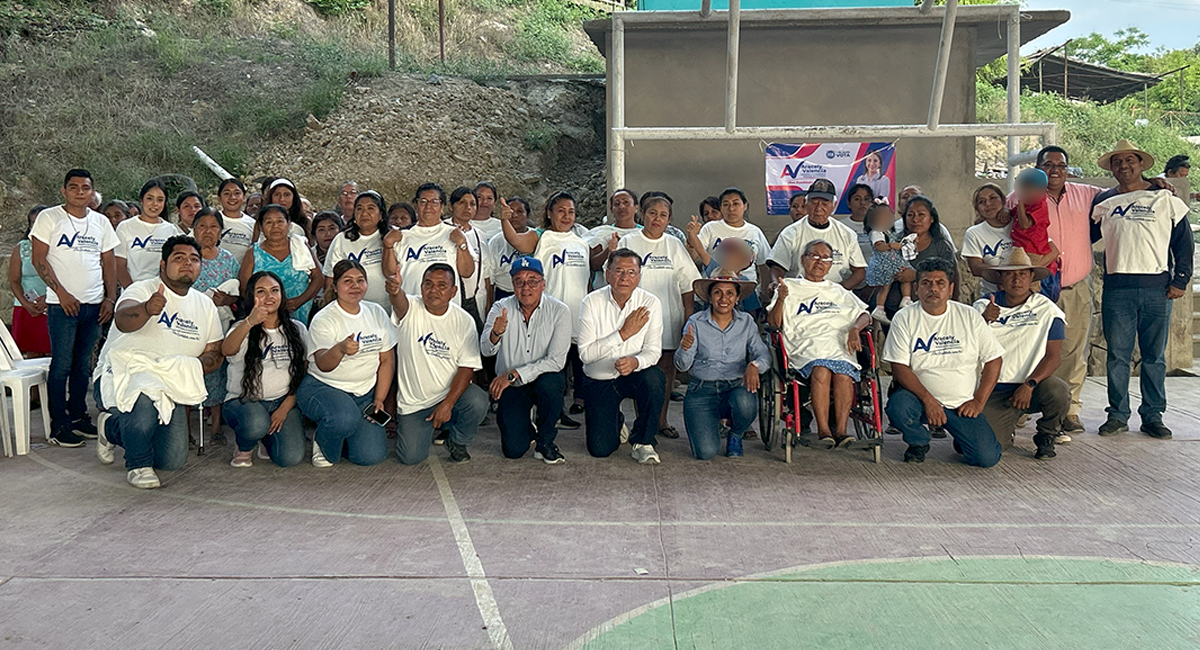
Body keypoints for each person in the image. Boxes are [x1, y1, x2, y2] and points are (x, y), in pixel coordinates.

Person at [94, 236, 224, 488]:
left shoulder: (205, 305)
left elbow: (215, 353)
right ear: (163, 264)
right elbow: (122, 319)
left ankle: (110, 429)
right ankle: (138, 465)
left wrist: (191, 367)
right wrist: (146, 309)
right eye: (179, 258)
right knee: (142, 404)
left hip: (169, 383)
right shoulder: (143, 289)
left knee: (171, 459)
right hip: (124, 375)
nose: (187, 263)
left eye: (194, 259)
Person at [1090, 140, 1194, 440]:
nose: (1124, 166)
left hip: (1156, 288)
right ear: (1111, 168)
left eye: (1130, 161)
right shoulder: (1104, 201)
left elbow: (1183, 242)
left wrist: (1181, 280)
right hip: (1117, 289)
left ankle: (1152, 415)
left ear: (1141, 164)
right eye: (1117, 162)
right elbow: (1085, 234)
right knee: (1117, 357)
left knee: (1154, 357)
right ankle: (1118, 415)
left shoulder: (1164, 197)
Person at [883, 257, 1004, 468]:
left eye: (940, 283)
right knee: (898, 407)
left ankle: (961, 437)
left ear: (950, 289)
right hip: (919, 400)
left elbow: (994, 360)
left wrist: (978, 402)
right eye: (926, 283)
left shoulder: (970, 316)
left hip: (961, 403)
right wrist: (929, 400)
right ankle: (918, 441)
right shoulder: (904, 318)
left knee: (986, 458)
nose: (933, 288)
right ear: (916, 289)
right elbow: (899, 368)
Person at [31, 169, 119, 447]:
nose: (80, 192)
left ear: (92, 192)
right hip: (61, 306)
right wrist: (62, 293)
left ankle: (80, 417)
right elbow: (39, 259)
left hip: (94, 306)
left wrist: (109, 299)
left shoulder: (101, 222)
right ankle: (59, 425)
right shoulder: (50, 218)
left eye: (85, 188)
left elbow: (109, 262)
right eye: (74, 187)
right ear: (64, 191)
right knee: (61, 366)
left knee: (83, 366)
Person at [769, 240, 871, 447]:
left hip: (839, 347)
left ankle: (841, 431)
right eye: (814, 255)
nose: (819, 261)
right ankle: (823, 430)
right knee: (821, 370)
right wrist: (780, 300)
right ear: (803, 259)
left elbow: (865, 315)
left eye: (825, 258)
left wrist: (855, 329)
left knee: (843, 375)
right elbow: (774, 323)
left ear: (831, 264)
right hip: (805, 346)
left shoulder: (839, 291)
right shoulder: (789, 287)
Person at [501, 191, 591, 424]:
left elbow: (586, 279)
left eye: (571, 211)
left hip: (576, 313)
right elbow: (515, 240)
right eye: (560, 210)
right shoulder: (541, 237)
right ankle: (549, 414)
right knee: (551, 366)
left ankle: (558, 411)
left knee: (571, 364)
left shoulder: (582, 243)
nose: (566, 215)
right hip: (548, 314)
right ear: (549, 213)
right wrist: (504, 220)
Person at [974, 250, 1070, 460]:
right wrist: (981, 320)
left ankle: (1047, 434)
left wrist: (1030, 385)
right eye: (1010, 274)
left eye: (1023, 274)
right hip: (993, 388)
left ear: (1031, 277)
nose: (1017, 280)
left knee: (1058, 390)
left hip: (1031, 386)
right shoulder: (983, 306)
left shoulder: (1047, 309)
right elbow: (967, 346)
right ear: (1000, 278)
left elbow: (1053, 357)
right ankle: (1005, 428)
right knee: (979, 448)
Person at [619, 193, 700, 440]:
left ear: (669, 220)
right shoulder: (628, 240)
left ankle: (660, 420)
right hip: (635, 320)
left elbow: (688, 286)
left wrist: (688, 320)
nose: (657, 218)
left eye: (663, 215)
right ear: (642, 214)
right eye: (652, 213)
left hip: (668, 318)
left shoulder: (673, 245)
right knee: (639, 370)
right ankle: (642, 421)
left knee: (665, 372)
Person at [297, 260, 394, 467]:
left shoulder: (376, 312)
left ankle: (343, 434)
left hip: (364, 394)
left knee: (369, 457)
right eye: (347, 281)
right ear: (335, 285)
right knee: (343, 419)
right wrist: (340, 349)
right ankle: (323, 441)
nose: (355, 286)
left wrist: (379, 398)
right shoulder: (324, 318)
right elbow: (323, 363)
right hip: (324, 387)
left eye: (360, 281)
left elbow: (386, 359)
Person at [388, 263, 487, 464]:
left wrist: (447, 404)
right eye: (428, 284)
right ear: (421, 287)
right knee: (410, 458)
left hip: (448, 396)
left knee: (477, 400)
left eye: (442, 285)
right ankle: (425, 428)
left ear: (453, 292)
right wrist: (395, 290)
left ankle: (458, 441)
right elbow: (399, 302)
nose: (434, 290)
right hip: (414, 404)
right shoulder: (411, 308)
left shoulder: (464, 320)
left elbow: (467, 368)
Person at [577, 249, 666, 463]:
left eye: (631, 272)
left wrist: (636, 362)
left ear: (639, 277)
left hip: (634, 374)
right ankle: (615, 421)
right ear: (607, 274)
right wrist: (623, 334)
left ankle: (643, 441)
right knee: (600, 449)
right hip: (600, 378)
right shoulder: (591, 302)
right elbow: (585, 355)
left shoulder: (650, 303)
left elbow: (653, 351)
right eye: (618, 271)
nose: (624, 278)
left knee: (655, 378)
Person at [480, 257, 571, 462]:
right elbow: (486, 350)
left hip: (537, 380)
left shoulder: (559, 310)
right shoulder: (500, 307)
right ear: (512, 285)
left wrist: (514, 374)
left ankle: (545, 441)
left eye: (533, 280)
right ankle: (528, 429)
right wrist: (496, 333)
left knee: (552, 383)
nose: (526, 287)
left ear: (543, 284)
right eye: (519, 281)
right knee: (513, 451)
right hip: (513, 386)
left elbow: (556, 361)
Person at [676, 275, 768, 459]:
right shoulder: (695, 322)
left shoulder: (747, 322)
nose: (723, 298)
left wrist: (754, 365)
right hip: (702, 390)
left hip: (735, 386)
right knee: (706, 453)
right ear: (710, 297)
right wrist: (684, 348)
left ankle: (736, 434)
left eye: (729, 293)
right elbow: (682, 365)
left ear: (737, 298)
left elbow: (763, 354)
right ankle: (711, 422)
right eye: (717, 292)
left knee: (745, 402)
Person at [224, 271, 309, 468]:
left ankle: (264, 439)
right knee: (256, 423)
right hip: (244, 401)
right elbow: (226, 350)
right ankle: (244, 446)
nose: (269, 297)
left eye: (274, 291)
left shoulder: (297, 329)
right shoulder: (241, 326)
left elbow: (303, 373)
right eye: (261, 291)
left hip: (281, 402)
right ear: (251, 296)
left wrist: (285, 407)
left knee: (290, 458)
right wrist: (250, 322)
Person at [191, 208, 240, 445]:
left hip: (219, 326)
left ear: (221, 231)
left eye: (213, 227)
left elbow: (238, 293)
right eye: (202, 226)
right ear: (194, 228)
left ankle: (216, 428)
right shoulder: (188, 257)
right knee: (190, 371)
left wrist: (227, 300)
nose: (207, 231)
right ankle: (187, 430)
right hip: (190, 325)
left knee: (218, 372)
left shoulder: (228, 260)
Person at [382, 182, 473, 305]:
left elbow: (467, 272)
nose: (428, 206)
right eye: (423, 201)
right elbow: (390, 273)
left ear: (442, 207)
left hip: (445, 309)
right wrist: (388, 246)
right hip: (410, 307)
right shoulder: (402, 235)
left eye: (434, 202)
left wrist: (462, 244)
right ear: (416, 205)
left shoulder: (454, 234)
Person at [768, 179, 867, 290]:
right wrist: (776, 283)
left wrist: (838, 291)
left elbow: (859, 271)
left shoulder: (846, 233)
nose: (819, 208)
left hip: (834, 293)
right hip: (800, 292)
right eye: (814, 203)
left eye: (824, 204)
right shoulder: (790, 233)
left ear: (834, 206)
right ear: (806, 204)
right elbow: (778, 267)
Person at [238, 204, 321, 323]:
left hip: (300, 312)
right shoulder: (253, 253)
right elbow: (245, 288)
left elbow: (318, 278)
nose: (275, 226)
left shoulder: (300, 247)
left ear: (288, 224)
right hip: (265, 317)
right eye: (269, 222)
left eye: (280, 221)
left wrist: (299, 301)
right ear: (261, 227)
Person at [882, 195, 958, 315]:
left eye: (921, 215)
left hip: (931, 308)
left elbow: (949, 276)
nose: (915, 220)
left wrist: (915, 275)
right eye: (910, 215)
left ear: (932, 218)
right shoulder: (894, 242)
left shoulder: (941, 246)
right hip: (894, 309)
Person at [323, 190, 389, 310]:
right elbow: (330, 278)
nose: (364, 213)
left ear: (381, 215)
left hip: (388, 307)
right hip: (351, 309)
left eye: (370, 208)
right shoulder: (342, 239)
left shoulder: (392, 237)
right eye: (359, 209)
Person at [694, 188, 771, 286]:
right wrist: (692, 235)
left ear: (745, 206)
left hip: (748, 287)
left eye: (736, 204)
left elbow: (763, 263)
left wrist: (765, 292)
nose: (731, 209)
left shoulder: (755, 231)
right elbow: (698, 253)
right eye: (726, 205)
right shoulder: (710, 228)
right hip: (716, 288)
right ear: (721, 208)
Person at [116, 179, 183, 288]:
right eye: (150, 198)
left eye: (160, 200)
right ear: (141, 200)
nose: (155, 204)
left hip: (162, 292)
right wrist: (133, 292)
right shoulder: (125, 227)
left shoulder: (171, 230)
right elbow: (119, 265)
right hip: (133, 292)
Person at [446, 186, 494, 331]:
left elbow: (486, 273)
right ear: (451, 206)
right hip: (450, 299)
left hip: (475, 301)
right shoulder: (443, 230)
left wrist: (488, 305)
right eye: (462, 203)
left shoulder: (480, 235)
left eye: (472, 204)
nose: (468, 208)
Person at [1011, 168, 1061, 300]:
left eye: (1031, 188)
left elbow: (1025, 224)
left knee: (1029, 286)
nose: (1027, 192)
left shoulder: (1040, 205)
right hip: (1021, 248)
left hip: (1034, 250)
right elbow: (1012, 215)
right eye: (1025, 188)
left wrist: (1020, 202)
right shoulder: (1027, 205)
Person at [9, 205, 51, 357]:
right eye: (34, 222)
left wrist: (49, 298)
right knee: (32, 355)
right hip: (27, 308)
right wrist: (27, 304)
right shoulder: (21, 248)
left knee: (56, 354)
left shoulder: (61, 249)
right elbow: (14, 281)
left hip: (54, 305)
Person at [962, 183, 1014, 298]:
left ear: (1003, 200)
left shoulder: (1018, 223)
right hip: (992, 296)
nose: (988, 204)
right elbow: (975, 267)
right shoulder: (974, 233)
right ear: (977, 209)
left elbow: (1052, 251)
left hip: (1025, 295)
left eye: (993, 198)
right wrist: (1007, 275)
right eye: (981, 202)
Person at [865, 202, 913, 323]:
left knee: (905, 274)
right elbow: (879, 246)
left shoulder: (890, 232)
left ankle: (906, 299)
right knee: (885, 286)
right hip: (884, 264)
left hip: (892, 262)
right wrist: (891, 245)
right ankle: (879, 308)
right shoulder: (876, 233)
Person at [589, 189, 643, 281]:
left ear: (636, 207)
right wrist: (609, 250)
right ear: (611, 209)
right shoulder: (602, 232)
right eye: (617, 204)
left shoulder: (643, 233)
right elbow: (594, 265)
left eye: (626, 203)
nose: (621, 206)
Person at [489, 196, 531, 301]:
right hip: (503, 294)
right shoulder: (495, 241)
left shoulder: (538, 238)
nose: (515, 215)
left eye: (520, 211)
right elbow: (489, 279)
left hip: (532, 293)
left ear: (528, 216)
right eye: (511, 211)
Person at [216, 178, 257, 263]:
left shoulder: (253, 224)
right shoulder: (210, 219)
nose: (232, 197)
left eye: (237, 193)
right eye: (227, 193)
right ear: (219, 197)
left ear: (244, 196)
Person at [838, 183, 875, 264]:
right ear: (849, 203)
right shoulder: (840, 226)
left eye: (866, 199)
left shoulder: (881, 224)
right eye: (857, 199)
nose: (862, 203)